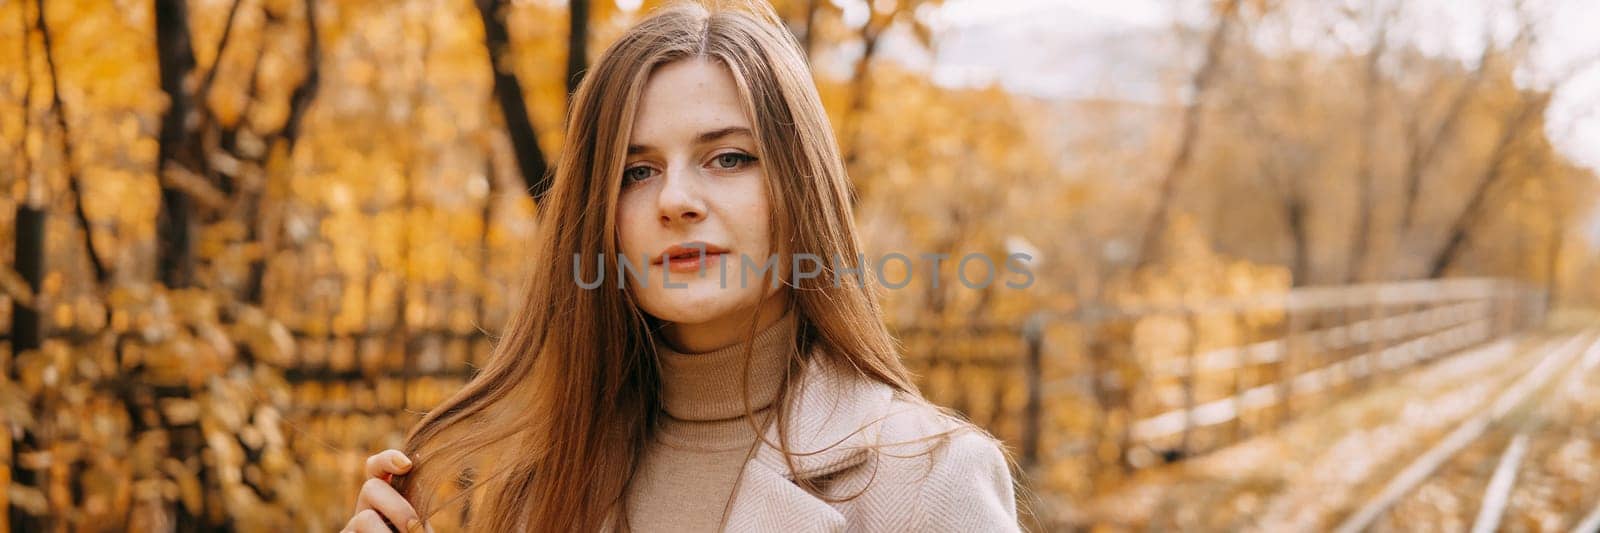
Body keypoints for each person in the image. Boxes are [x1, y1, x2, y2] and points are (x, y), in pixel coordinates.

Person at [343, 1, 1019, 531]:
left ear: (799, 188)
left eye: (727, 157)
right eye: (637, 171)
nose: (675, 200)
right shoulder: (540, 483)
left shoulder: (931, 478)